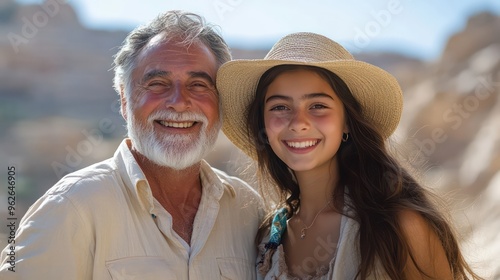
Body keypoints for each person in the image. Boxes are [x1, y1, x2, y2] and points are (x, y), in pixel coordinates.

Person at [0, 10, 262, 279]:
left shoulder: (248, 210)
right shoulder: (72, 207)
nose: (179, 102)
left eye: (198, 85)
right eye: (158, 83)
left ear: (220, 103)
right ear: (125, 101)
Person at [216, 32, 481, 279]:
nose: (298, 122)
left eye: (318, 105)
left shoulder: (400, 228)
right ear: (262, 124)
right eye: (280, 106)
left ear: (346, 122)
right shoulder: (268, 238)